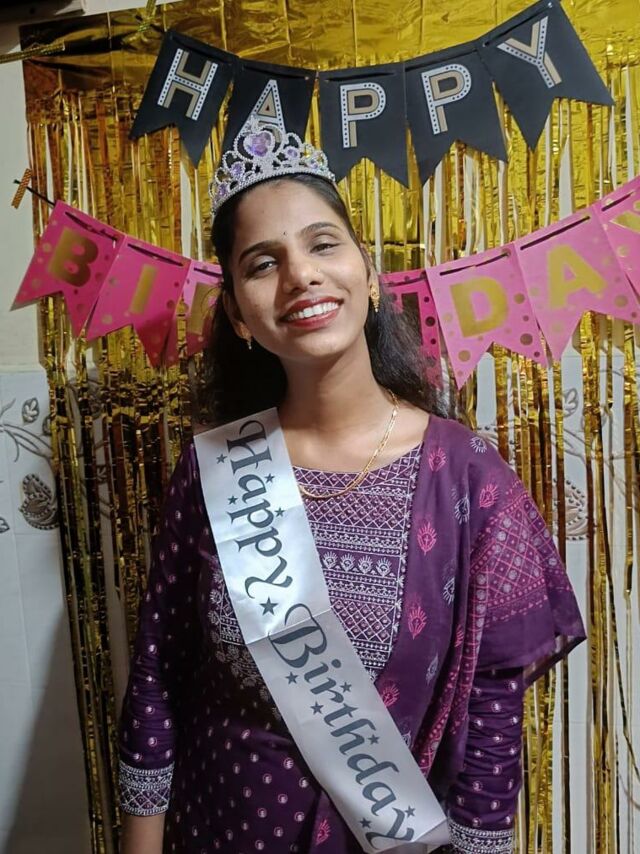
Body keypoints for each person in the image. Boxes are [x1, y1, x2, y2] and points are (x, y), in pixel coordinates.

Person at [118, 123, 586, 854]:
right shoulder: (211, 470)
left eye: (323, 244)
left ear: (369, 274)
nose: (300, 275)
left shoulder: (467, 477)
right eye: (263, 262)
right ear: (238, 315)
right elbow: (156, 677)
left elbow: (493, 715)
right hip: (215, 833)